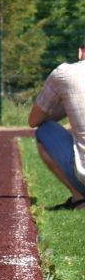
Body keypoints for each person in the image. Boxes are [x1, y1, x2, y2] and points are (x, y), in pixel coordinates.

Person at [29, 38, 85, 208]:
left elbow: (34, 120)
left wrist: (68, 104)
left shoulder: (64, 73)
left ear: (80, 52)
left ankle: (79, 199)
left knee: (44, 130)